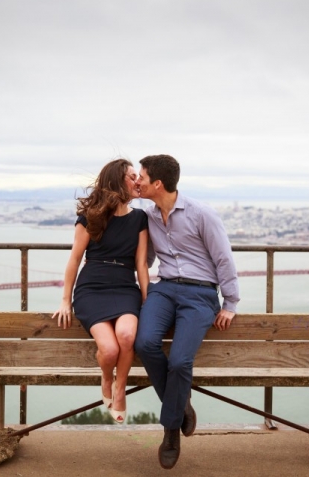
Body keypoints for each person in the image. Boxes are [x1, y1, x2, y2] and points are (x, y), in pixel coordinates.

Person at [133, 154, 240, 469]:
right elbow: (146, 258)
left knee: (180, 361)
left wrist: (230, 303)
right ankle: (181, 406)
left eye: (141, 176)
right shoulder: (149, 216)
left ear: (158, 184)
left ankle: (170, 430)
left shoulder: (201, 214)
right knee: (145, 343)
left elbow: (224, 258)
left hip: (200, 293)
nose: (137, 181)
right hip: (164, 289)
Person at [52, 158, 149, 424]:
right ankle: (107, 378)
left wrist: (146, 300)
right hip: (92, 288)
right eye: (132, 176)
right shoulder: (90, 217)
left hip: (124, 286)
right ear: (118, 181)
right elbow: (74, 259)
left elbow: (141, 265)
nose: (137, 181)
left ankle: (120, 389)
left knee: (127, 335)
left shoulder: (140, 218)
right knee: (108, 350)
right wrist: (65, 300)